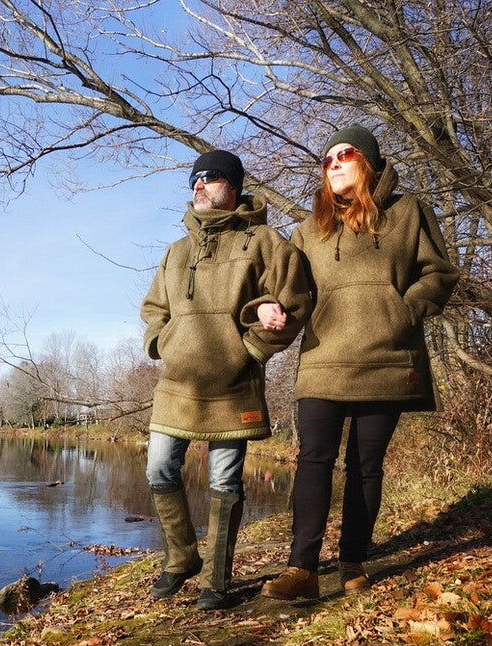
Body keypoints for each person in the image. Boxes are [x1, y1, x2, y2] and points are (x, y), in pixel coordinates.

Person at [261, 125, 459, 602]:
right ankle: (301, 569)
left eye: (343, 155)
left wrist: (404, 310)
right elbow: (290, 292)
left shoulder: (409, 213)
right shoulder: (308, 231)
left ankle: (353, 561)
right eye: (326, 159)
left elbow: (439, 273)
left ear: (367, 162)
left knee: (366, 465)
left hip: (387, 359)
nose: (332, 163)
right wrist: (270, 306)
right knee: (312, 461)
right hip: (323, 359)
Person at [142, 148, 312, 611]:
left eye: (210, 177)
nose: (199, 185)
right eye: (194, 179)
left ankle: (215, 578)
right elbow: (154, 310)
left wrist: (252, 351)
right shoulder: (176, 251)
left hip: (234, 386)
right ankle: (180, 559)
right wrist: (161, 344)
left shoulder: (264, 242)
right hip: (176, 386)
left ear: (233, 187)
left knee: (224, 482)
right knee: (158, 468)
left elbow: (295, 302)